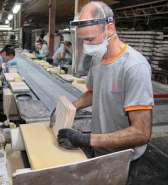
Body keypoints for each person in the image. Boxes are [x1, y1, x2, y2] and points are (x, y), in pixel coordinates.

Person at [51, 1, 154, 163]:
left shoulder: (134, 67)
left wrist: (85, 140)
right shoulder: (98, 59)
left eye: (90, 39)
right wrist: (70, 107)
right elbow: (94, 92)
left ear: (109, 29)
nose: (86, 47)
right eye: (83, 40)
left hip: (123, 158)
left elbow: (141, 133)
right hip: (100, 149)